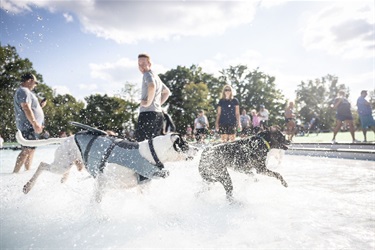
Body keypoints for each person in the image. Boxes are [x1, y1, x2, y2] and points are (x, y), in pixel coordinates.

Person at [13, 73, 46, 173]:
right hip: (28, 126)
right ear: (29, 80)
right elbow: (26, 107)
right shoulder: (23, 91)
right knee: (27, 150)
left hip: (30, 125)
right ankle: (14, 174)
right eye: (35, 82)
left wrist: (40, 106)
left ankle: (26, 172)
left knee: (31, 150)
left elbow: (31, 108)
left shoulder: (26, 92)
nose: (35, 85)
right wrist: (35, 123)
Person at [135, 53, 171, 142]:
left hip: (147, 114)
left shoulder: (147, 74)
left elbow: (151, 86)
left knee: (141, 144)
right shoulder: (156, 77)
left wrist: (148, 103)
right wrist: (158, 104)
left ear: (149, 64)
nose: (141, 67)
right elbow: (167, 92)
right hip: (158, 115)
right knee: (154, 145)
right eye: (139, 64)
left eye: (144, 64)